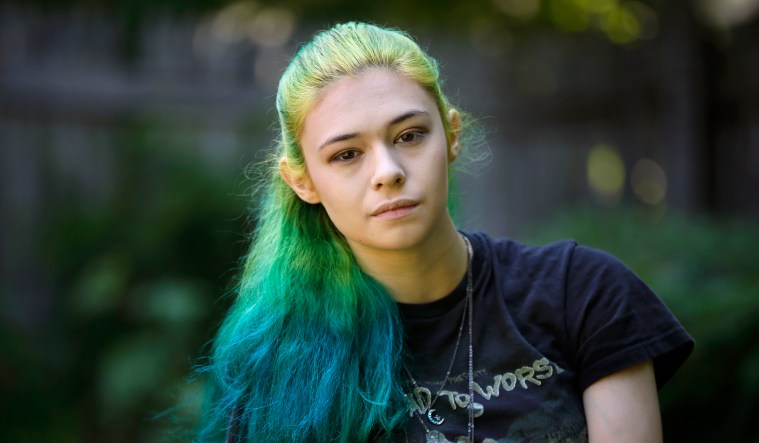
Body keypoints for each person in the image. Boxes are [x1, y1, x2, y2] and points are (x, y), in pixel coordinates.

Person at [194, 22, 693, 443]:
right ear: (303, 182)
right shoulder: (273, 362)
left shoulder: (581, 293)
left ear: (451, 135)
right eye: (347, 154)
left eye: (409, 136)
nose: (387, 171)